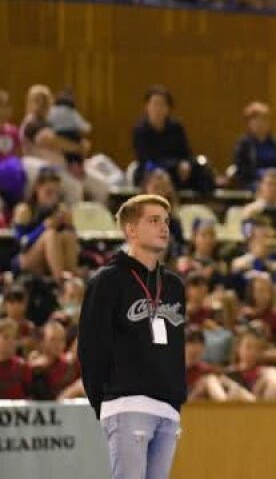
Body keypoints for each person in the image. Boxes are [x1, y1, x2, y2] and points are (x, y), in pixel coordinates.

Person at [78, 194, 187, 479]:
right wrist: (104, 402)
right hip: (127, 403)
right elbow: (91, 348)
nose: (164, 227)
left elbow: (177, 349)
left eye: (166, 221)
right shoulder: (107, 280)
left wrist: (175, 399)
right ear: (131, 230)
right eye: (154, 220)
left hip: (168, 409)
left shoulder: (174, 286)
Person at [231, 101, 276, 189]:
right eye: (257, 120)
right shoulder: (244, 144)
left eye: (264, 119)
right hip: (253, 181)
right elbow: (241, 168)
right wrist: (261, 175)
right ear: (249, 123)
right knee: (266, 189)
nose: (261, 123)